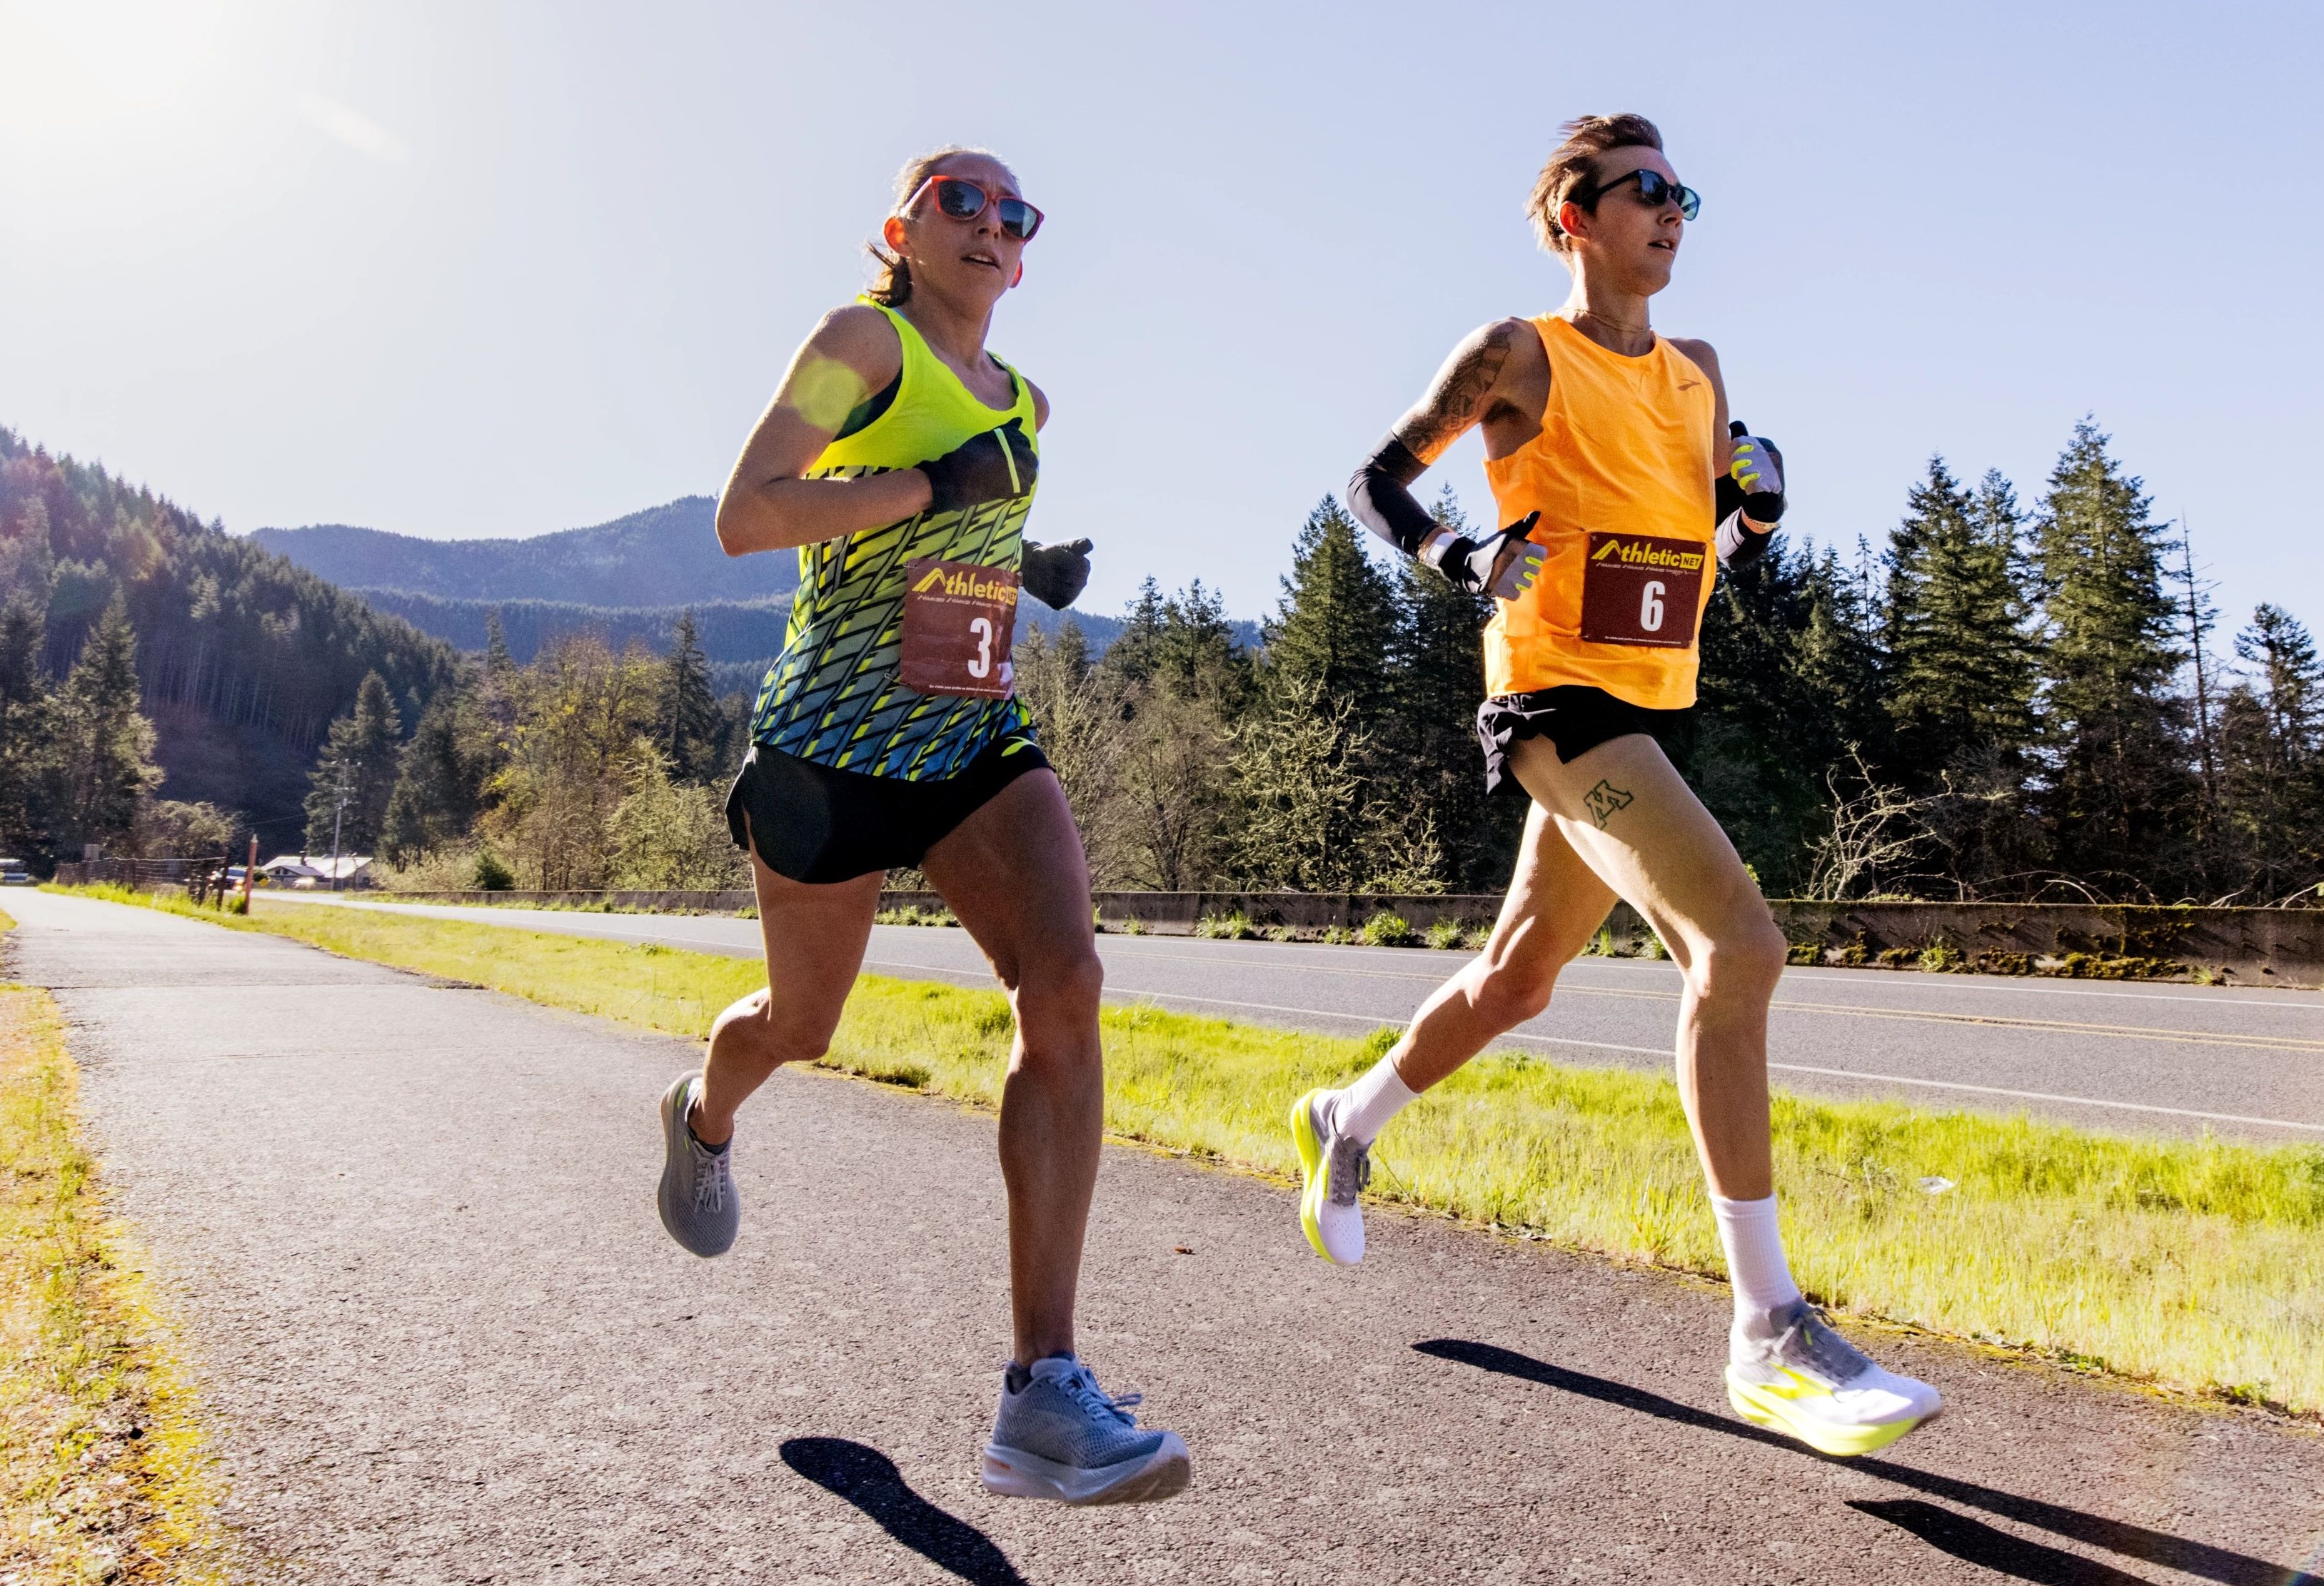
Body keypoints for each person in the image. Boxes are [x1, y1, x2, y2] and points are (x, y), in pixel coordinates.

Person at [1297, 114, 1941, 1458]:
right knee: (1738, 944)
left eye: (1682, 192)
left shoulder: (1699, 372)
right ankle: (1768, 1329)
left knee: (1517, 981)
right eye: (1642, 189)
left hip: (1647, 707)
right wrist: (1457, 557)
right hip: (1552, 700)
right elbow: (1372, 478)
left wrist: (1761, 502)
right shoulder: (1520, 354)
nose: (1671, 210)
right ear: (1570, 217)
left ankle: (1345, 1123)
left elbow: (1727, 520)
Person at [655, 146, 1187, 1505]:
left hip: (965, 737)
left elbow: (970, 523)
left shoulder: (1028, 401)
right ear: (901, 228)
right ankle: (706, 1109)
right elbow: (747, 513)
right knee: (800, 1025)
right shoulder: (858, 341)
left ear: (1026, 254)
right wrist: (931, 494)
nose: (992, 224)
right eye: (963, 199)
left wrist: (1022, 561)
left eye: (1017, 214)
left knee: (1065, 983)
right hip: (829, 750)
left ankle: (1042, 1393)